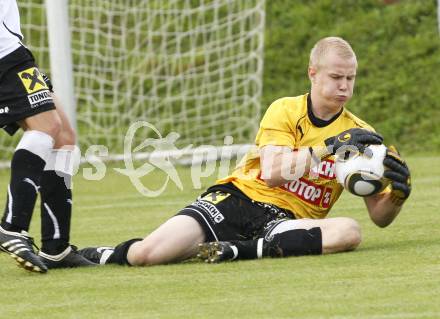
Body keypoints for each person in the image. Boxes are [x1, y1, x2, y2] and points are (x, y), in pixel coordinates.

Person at [78, 36, 411, 266]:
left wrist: (396, 195)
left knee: (350, 231)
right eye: (336, 76)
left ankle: (237, 251)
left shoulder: (362, 136)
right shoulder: (285, 109)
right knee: (146, 256)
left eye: (350, 78)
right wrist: (329, 148)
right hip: (239, 200)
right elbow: (273, 173)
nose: (344, 86)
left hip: (288, 223)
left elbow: (379, 219)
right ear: (313, 73)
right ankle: (101, 255)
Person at [0, 0, 95, 273]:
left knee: (64, 136)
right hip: (5, 54)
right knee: (46, 126)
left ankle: (56, 247)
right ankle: (11, 227)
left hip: (12, 52)